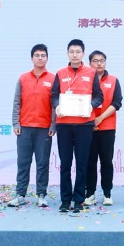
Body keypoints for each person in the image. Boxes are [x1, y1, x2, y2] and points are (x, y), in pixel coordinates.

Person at [51, 39, 103, 213]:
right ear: (67, 53)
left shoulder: (91, 73)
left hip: (84, 125)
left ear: (83, 54)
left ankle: (79, 199)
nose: (75, 55)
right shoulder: (60, 73)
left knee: (82, 163)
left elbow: (99, 96)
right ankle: (65, 200)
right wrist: (57, 106)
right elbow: (53, 96)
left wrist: (90, 106)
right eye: (71, 52)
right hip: (64, 124)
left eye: (78, 52)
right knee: (65, 163)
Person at [8, 44, 55, 208]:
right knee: (23, 163)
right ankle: (20, 194)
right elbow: (17, 102)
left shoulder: (53, 79)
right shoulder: (23, 78)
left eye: (43, 55)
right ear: (32, 58)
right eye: (37, 55)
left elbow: (55, 105)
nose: (40, 58)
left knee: (42, 163)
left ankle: (41, 195)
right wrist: (16, 122)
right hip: (25, 128)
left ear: (47, 58)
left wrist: (53, 125)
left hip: (44, 129)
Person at [84, 50, 123, 206]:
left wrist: (100, 118)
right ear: (89, 63)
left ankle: (107, 193)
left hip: (107, 127)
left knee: (106, 161)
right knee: (90, 162)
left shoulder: (113, 80)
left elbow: (117, 102)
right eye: (95, 60)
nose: (99, 63)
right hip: (88, 127)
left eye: (102, 60)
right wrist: (91, 120)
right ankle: (90, 193)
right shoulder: (85, 80)